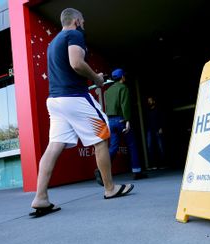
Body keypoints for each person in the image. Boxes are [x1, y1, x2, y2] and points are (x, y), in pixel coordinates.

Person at [30, 8, 134, 218]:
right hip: (75, 99)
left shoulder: (53, 43)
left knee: (53, 146)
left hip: (55, 101)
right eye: (83, 21)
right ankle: (109, 189)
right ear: (76, 21)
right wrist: (96, 77)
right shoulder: (74, 34)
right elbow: (76, 63)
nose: (84, 25)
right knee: (102, 137)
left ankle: (40, 197)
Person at [94, 68, 147, 184]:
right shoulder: (123, 88)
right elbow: (125, 105)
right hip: (121, 120)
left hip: (111, 121)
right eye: (124, 76)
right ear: (122, 77)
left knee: (113, 147)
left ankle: (100, 170)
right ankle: (137, 171)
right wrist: (127, 120)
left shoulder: (108, 91)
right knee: (132, 145)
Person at [145, 96, 167, 170]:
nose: (149, 102)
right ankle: (153, 165)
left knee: (160, 147)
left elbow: (162, 118)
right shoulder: (147, 111)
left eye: (150, 100)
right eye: (148, 101)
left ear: (154, 101)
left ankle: (163, 164)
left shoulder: (158, 109)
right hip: (149, 130)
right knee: (150, 146)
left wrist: (161, 127)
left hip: (157, 129)